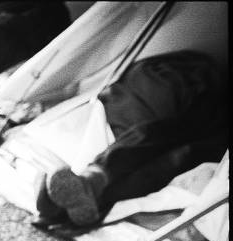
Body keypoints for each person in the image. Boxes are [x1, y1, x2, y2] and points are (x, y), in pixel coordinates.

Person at [36, 50, 229, 228]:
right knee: (165, 152)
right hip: (167, 87)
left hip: (171, 90)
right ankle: (95, 187)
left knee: (165, 149)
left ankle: (88, 188)